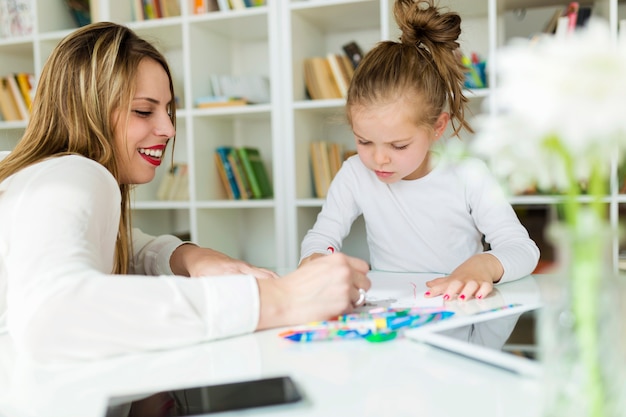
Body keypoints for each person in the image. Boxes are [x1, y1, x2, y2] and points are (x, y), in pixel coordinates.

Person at [0, 22, 370, 363]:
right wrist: (279, 299)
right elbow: (53, 313)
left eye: (168, 110)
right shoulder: (75, 173)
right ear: (84, 111)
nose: (168, 129)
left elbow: (111, 243)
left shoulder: (39, 175)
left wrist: (188, 256)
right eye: (144, 111)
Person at [299, 0, 539, 301]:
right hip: (394, 314)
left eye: (398, 145)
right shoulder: (355, 174)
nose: (379, 158)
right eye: (364, 141)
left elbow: (522, 250)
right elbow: (321, 238)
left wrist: (484, 265)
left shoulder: (468, 174)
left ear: (437, 127)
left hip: (460, 313)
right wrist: (317, 257)